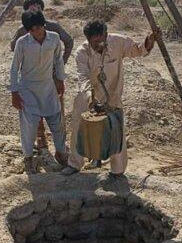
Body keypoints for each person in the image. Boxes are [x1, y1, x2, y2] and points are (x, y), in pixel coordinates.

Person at [62, 20, 156, 180]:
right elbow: (83, 77)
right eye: (94, 42)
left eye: (101, 40)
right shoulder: (82, 52)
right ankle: (75, 164)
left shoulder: (118, 41)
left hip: (112, 96)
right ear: (88, 39)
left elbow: (138, 50)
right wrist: (91, 98)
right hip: (88, 96)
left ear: (106, 35)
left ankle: (117, 171)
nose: (99, 44)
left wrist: (149, 40)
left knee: (116, 130)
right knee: (78, 128)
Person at [11, 0, 73, 152]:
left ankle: (60, 147)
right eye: (31, 8)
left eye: (37, 7)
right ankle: (40, 141)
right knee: (33, 115)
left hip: (51, 79)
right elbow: (14, 50)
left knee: (56, 112)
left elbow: (67, 43)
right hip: (30, 80)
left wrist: (60, 69)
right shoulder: (23, 31)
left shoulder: (54, 28)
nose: (34, 10)